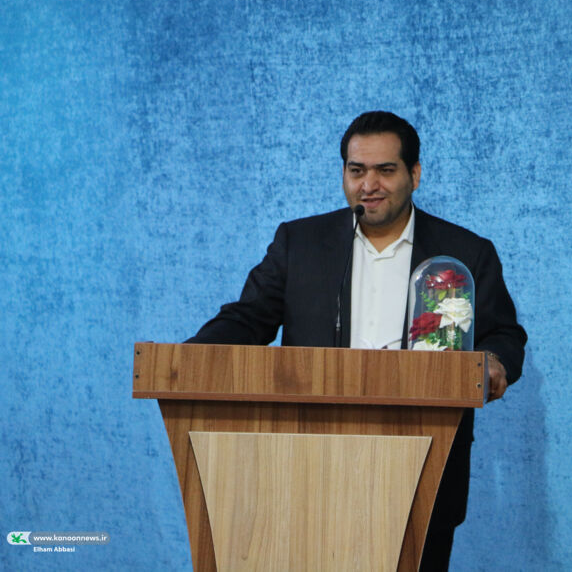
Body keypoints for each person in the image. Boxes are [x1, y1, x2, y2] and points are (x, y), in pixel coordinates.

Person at [187, 111, 527, 570]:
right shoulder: (300, 243)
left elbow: (503, 333)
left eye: (385, 170)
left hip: (424, 463)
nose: (369, 185)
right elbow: (248, 318)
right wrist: (187, 358)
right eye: (357, 170)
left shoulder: (464, 252)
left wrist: (493, 362)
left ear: (414, 175)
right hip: (309, 463)